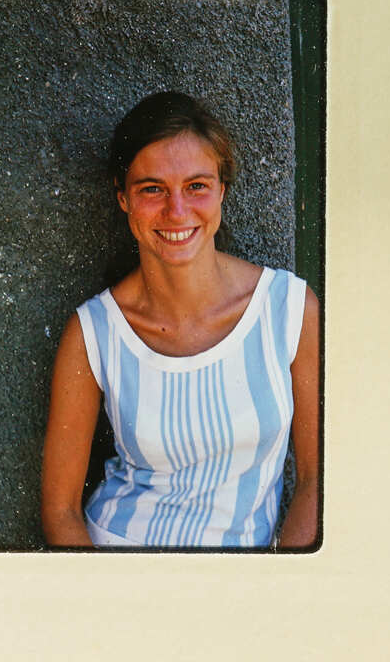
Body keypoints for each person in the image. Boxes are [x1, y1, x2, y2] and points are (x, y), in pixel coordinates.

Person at [41, 92, 319, 548]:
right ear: (123, 198)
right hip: (120, 569)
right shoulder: (94, 332)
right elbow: (60, 510)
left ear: (222, 189)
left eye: (197, 186)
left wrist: (279, 592)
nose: (176, 211)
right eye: (152, 189)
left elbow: (317, 478)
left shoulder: (288, 310)